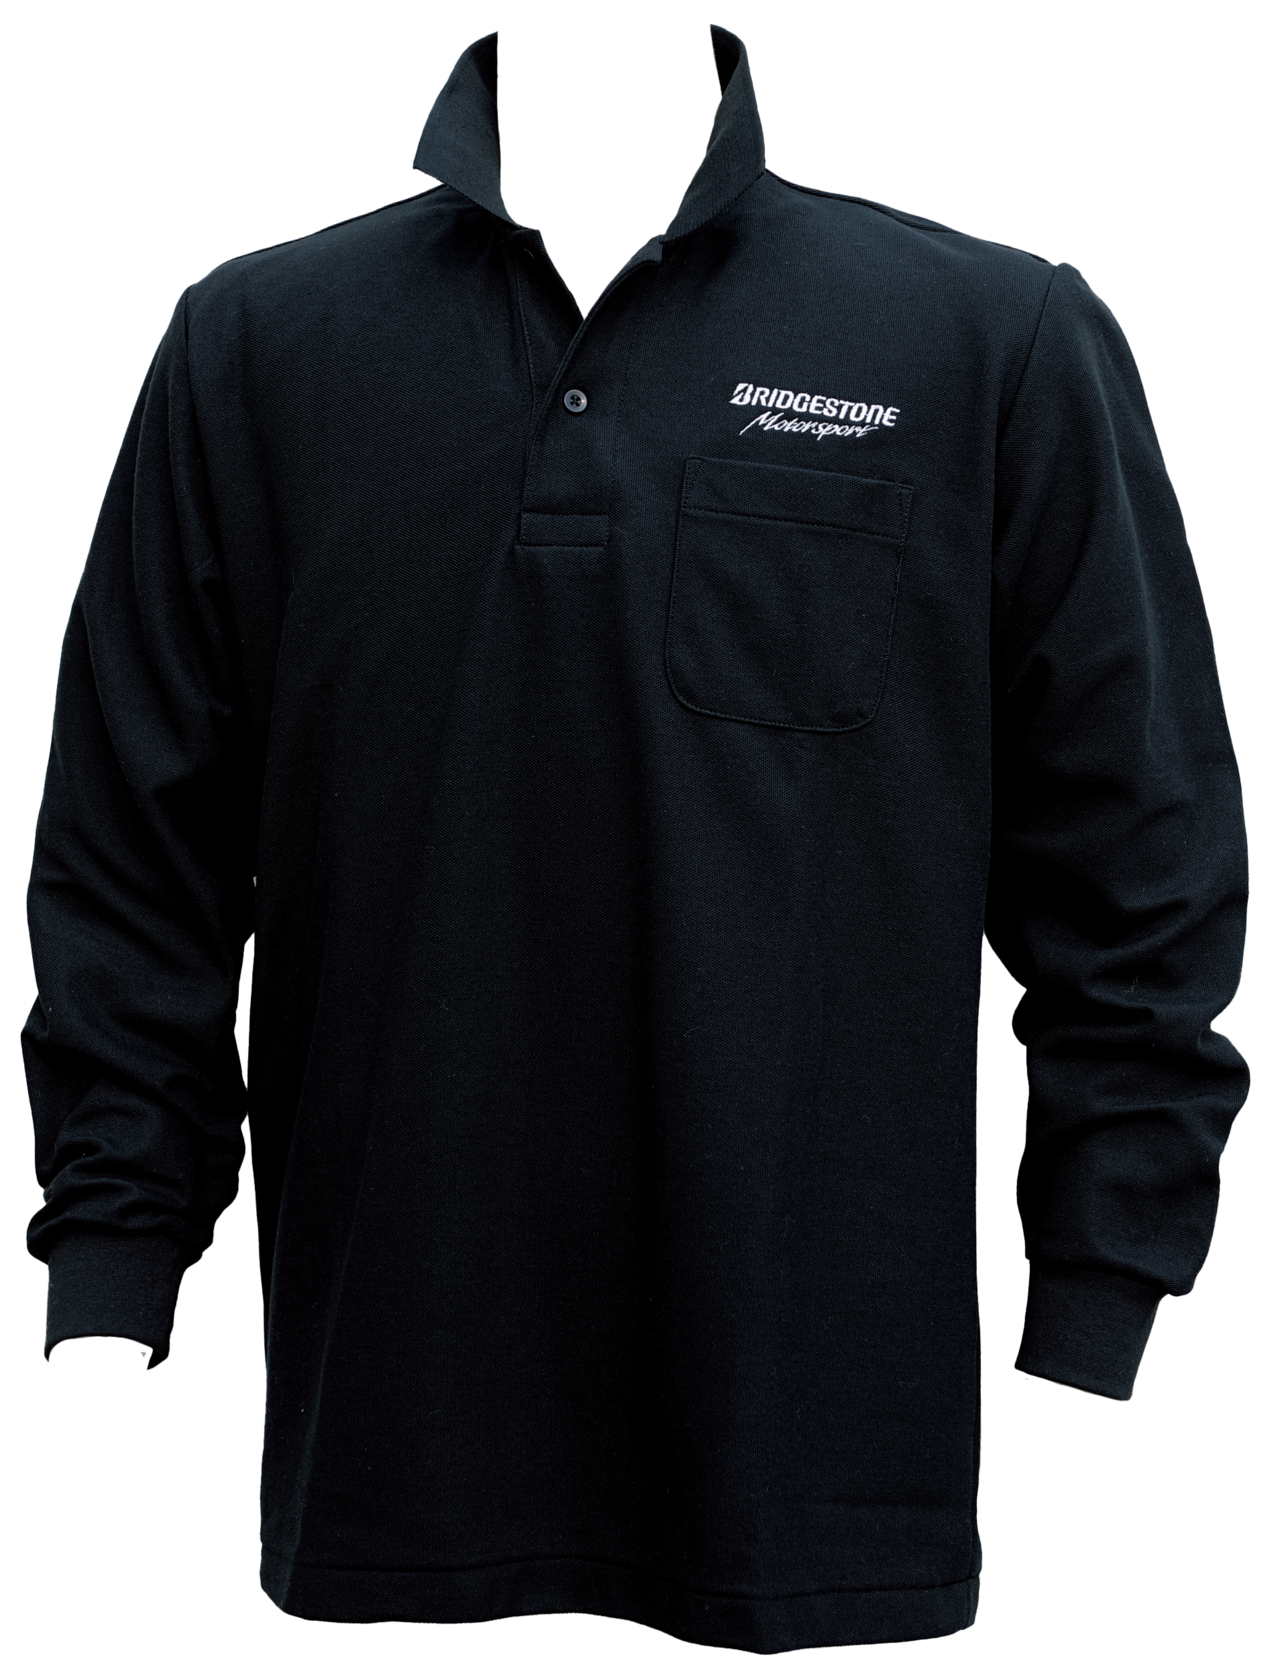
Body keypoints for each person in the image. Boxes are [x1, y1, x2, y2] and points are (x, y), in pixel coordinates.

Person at [22, 19, 1250, 1655]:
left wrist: (1101, 1278)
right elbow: (128, 851)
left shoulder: (990, 333)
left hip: (818, 1470)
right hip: (383, 1437)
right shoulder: (255, 342)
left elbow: (1143, 856)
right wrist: (115, 1249)